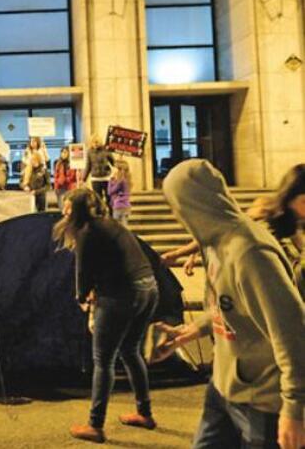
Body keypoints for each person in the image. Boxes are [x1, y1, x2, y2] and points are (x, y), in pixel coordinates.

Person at [157, 159, 304, 449]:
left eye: (175, 203)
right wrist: (190, 331)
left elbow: (292, 332)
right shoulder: (214, 243)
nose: (175, 213)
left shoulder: (250, 252)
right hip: (223, 387)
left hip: (262, 398)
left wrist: (295, 407)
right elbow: (229, 306)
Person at [54, 188, 159, 444]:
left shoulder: (86, 233)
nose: (63, 212)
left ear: (76, 211)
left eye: (67, 208)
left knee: (103, 360)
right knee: (131, 351)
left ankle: (95, 424)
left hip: (120, 296)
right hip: (148, 289)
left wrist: (82, 299)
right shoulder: (111, 224)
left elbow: (82, 278)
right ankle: (144, 412)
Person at [161, 163, 304, 293]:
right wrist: (181, 253)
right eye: (304, 201)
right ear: (289, 196)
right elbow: (223, 231)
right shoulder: (266, 219)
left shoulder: (296, 221)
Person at [84, 135, 115, 213]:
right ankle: (100, 214)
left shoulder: (106, 150)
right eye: (94, 142)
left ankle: (111, 214)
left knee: (109, 197)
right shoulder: (89, 152)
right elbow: (88, 165)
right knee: (98, 198)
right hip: (95, 178)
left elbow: (113, 161)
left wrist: (112, 169)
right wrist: (84, 178)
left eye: (97, 142)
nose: (95, 144)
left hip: (106, 177)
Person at [108, 160, 132, 227]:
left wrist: (111, 180)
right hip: (126, 206)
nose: (112, 169)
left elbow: (109, 192)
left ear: (119, 170)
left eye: (114, 167)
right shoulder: (126, 179)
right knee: (124, 227)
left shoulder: (120, 181)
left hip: (118, 206)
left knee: (118, 229)